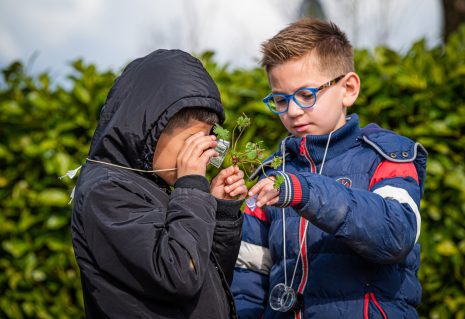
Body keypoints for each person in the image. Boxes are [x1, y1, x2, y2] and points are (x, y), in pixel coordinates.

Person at [231, 18, 427, 319]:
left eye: (307, 95)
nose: (293, 111)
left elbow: (396, 233)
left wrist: (304, 191)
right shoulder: (271, 174)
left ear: (348, 88)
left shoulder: (388, 156)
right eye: (280, 100)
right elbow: (248, 276)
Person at [71, 49, 247, 319]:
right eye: (192, 142)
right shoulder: (105, 192)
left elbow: (208, 279)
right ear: (152, 130)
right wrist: (191, 187)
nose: (199, 156)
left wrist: (218, 210)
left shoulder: (155, 187)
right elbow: (179, 274)